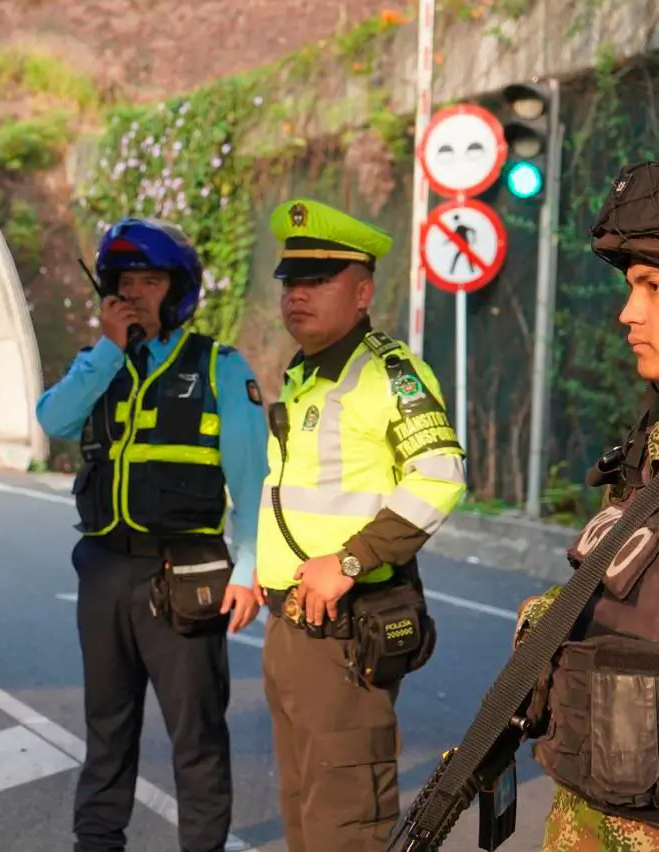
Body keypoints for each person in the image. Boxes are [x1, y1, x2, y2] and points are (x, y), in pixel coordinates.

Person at [35, 217, 269, 852]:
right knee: (106, 728)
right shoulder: (99, 365)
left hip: (183, 577)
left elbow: (250, 482)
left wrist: (248, 573)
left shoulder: (219, 367)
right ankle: (97, 841)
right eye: (125, 280)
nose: (136, 293)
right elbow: (52, 419)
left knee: (196, 735)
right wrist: (109, 350)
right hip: (105, 571)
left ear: (179, 290)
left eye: (151, 280)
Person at [253, 198, 467, 851]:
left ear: (364, 290)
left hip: (345, 631)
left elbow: (441, 473)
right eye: (291, 281)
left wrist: (349, 561)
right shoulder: (308, 374)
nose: (297, 296)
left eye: (318, 281)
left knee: (345, 826)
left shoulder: (385, 372)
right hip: (291, 630)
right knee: (304, 812)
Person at [511, 159, 659, 851]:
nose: (628, 311)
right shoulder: (649, 435)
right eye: (632, 286)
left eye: (651, 286)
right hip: (597, 800)